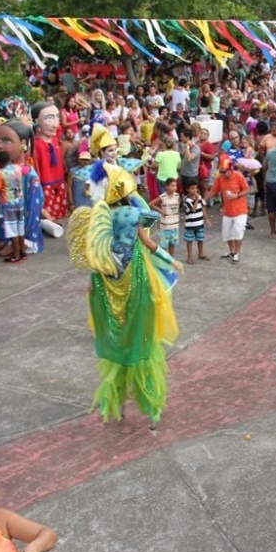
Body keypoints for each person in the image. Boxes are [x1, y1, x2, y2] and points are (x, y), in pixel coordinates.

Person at [69, 160, 183, 427]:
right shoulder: (133, 214)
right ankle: (152, 408)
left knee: (118, 339)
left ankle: (116, 406)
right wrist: (171, 261)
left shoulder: (100, 216)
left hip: (106, 280)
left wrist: (92, 280)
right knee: (142, 338)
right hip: (136, 279)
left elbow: (97, 252)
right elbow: (149, 239)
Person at [0, 123, 28, 264]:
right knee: (20, 228)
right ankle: (23, 252)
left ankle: (16, 254)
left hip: (8, 204)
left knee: (13, 231)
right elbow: (25, 172)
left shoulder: (0, 173)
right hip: (20, 202)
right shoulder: (18, 168)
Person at [31, 102, 69, 221]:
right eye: (49, 118)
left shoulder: (55, 140)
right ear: (36, 121)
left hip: (59, 180)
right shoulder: (35, 145)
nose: (55, 124)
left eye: (57, 117)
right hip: (45, 184)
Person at [208, 157, 250, 262]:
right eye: (220, 172)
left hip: (240, 210)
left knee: (238, 232)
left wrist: (237, 195)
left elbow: (246, 189)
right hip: (227, 211)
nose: (222, 174)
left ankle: (237, 252)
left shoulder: (238, 176)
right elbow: (214, 191)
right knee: (227, 234)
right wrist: (203, 199)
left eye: (224, 172)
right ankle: (232, 251)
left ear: (230, 170)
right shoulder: (220, 179)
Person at [150, 177, 181, 258]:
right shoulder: (163, 197)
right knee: (164, 245)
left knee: (172, 244)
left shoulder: (177, 195)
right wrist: (161, 211)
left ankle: (171, 259)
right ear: (166, 187)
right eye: (172, 186)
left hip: (175, 224)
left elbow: (179, 202)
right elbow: (151, 204)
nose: (174, 188)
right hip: (165, 225)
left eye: (175, 186)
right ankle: (164, 259)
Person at [182, 179, 209, 264]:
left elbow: (203, 207)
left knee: (200, 239)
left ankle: (201, 253)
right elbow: (193, 209)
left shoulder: (199, 197)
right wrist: (197, 199)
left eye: (196, 188)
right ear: (187, 189)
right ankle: (189, 257)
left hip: (199, 222)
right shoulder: (187, 200)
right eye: (192, 188)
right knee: (189, 241)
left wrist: (206, 218)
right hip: (190, 224)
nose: (195, 190)